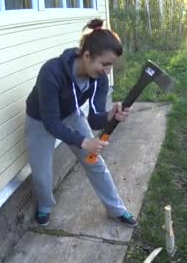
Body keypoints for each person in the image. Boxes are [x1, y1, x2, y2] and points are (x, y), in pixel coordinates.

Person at [25, 18, 138, 227]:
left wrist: (110, 115)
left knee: (95, 163)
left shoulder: (100, 79)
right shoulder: (51, 72)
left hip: (71, 114)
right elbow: (51, 123)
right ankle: (45, 206)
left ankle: (116, 209)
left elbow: (94, 119)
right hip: (40, 119)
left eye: (111, 65)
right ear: (87, 55)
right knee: (42, 175)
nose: (107, 70)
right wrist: (85, 142)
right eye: (105, 64)